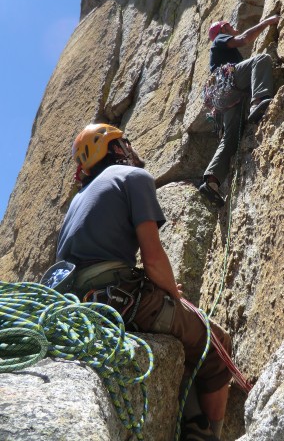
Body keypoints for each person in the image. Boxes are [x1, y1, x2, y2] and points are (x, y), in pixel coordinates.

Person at [56, 123, 231, 440]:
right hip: (118, 299)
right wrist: (171, 295)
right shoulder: (132, 177)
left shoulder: (78, 201)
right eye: (125, 142)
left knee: (183, 346)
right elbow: (152, 258)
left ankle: (193, 424)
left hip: (76, 305)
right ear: (116, 149)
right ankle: (212, 437)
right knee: (217, 345)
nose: (132, 147)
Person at [199, 15, 280, 207]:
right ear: (223, 28)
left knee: (231, 136)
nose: (232, 26)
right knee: (260, 60)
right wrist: (267, 22)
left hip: (224, 97)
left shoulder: (222, 50)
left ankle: (211, 181)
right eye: (229, 25)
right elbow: (244, 39)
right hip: (229, 83)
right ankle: (258, 101)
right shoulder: (220, 39)